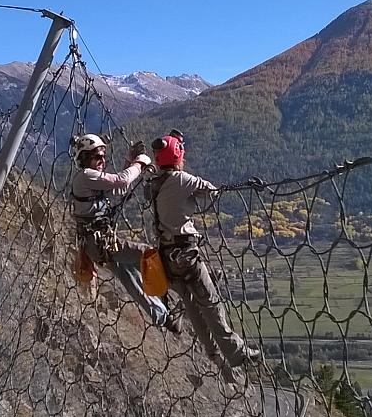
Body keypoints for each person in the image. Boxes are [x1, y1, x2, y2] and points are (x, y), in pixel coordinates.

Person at [148, 129, 261, 385]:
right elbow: (211, 192)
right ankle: (237, 352)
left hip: (166, 257)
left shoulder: (154, 183)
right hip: (186, 254)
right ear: (178, 155)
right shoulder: (180, 179)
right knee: (211, 304)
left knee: (193, 309)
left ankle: (214, 356)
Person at [71, 133, 181, 333]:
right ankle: (182, 285)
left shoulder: (88, 180)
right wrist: (139, 163)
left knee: (131, 277)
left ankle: (164, 317)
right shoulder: (87, 176)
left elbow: (117, 189)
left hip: (97, 244)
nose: (102, 161)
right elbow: (121, 182)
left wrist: (129, 161)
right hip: (100, 243)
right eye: (98, 157)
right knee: (147, 254)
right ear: (86, 158)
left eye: (103, 156)